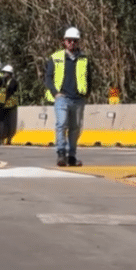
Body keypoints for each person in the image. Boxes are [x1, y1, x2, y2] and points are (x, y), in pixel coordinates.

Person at [44, 27, 94, 166]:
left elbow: (89, 78)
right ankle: (61, 154)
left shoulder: (84, 59)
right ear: (64, 42)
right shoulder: (56, 57)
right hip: (62, 97)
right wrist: (56, 93)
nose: (72, 43)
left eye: (75, 41)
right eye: (69, 40)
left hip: (78, 98)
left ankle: (71, 156)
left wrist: (86, 94)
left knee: (75, 127)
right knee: (61, 124)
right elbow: (48, 77)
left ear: (78, 42)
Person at [0, 64, 19, 144]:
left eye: (6, 73)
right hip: (5, 104)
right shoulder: (5, 81)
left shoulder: (13, 82)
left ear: (9, 74)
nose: (4, 74)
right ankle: (3, 137)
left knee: (9, 122)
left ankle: (8, 138)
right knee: (4, 122)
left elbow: (10, 91)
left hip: (10, 104)